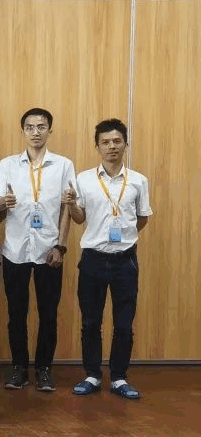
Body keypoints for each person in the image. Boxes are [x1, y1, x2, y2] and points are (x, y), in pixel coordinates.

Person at [0, 108, 76, 392]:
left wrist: (60, 246)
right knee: (17, 314)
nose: (36, 132)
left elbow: (67, 208)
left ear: (50, 130)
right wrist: (2, 202)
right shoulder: (8, 165)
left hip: (49, 250)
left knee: (48, 314)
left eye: (41, 127)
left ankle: (44, 369)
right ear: (23, 131)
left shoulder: (63, 165)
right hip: (15, 250)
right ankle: (19, 368)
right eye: (30, 127)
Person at [66, 119, 152, 400]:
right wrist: (71, 204)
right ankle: (92, 374)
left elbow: (142, 218)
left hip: (125, 261)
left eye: (117, 141)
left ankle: (118, 377)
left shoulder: (138, 180)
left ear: (125, 143)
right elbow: (79, 219)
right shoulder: (84, 179)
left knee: (124, 324)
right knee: (90, 322)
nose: (111, 146)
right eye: (105, 142)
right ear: (97, 146)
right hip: (93, 259)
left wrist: (124, 236)